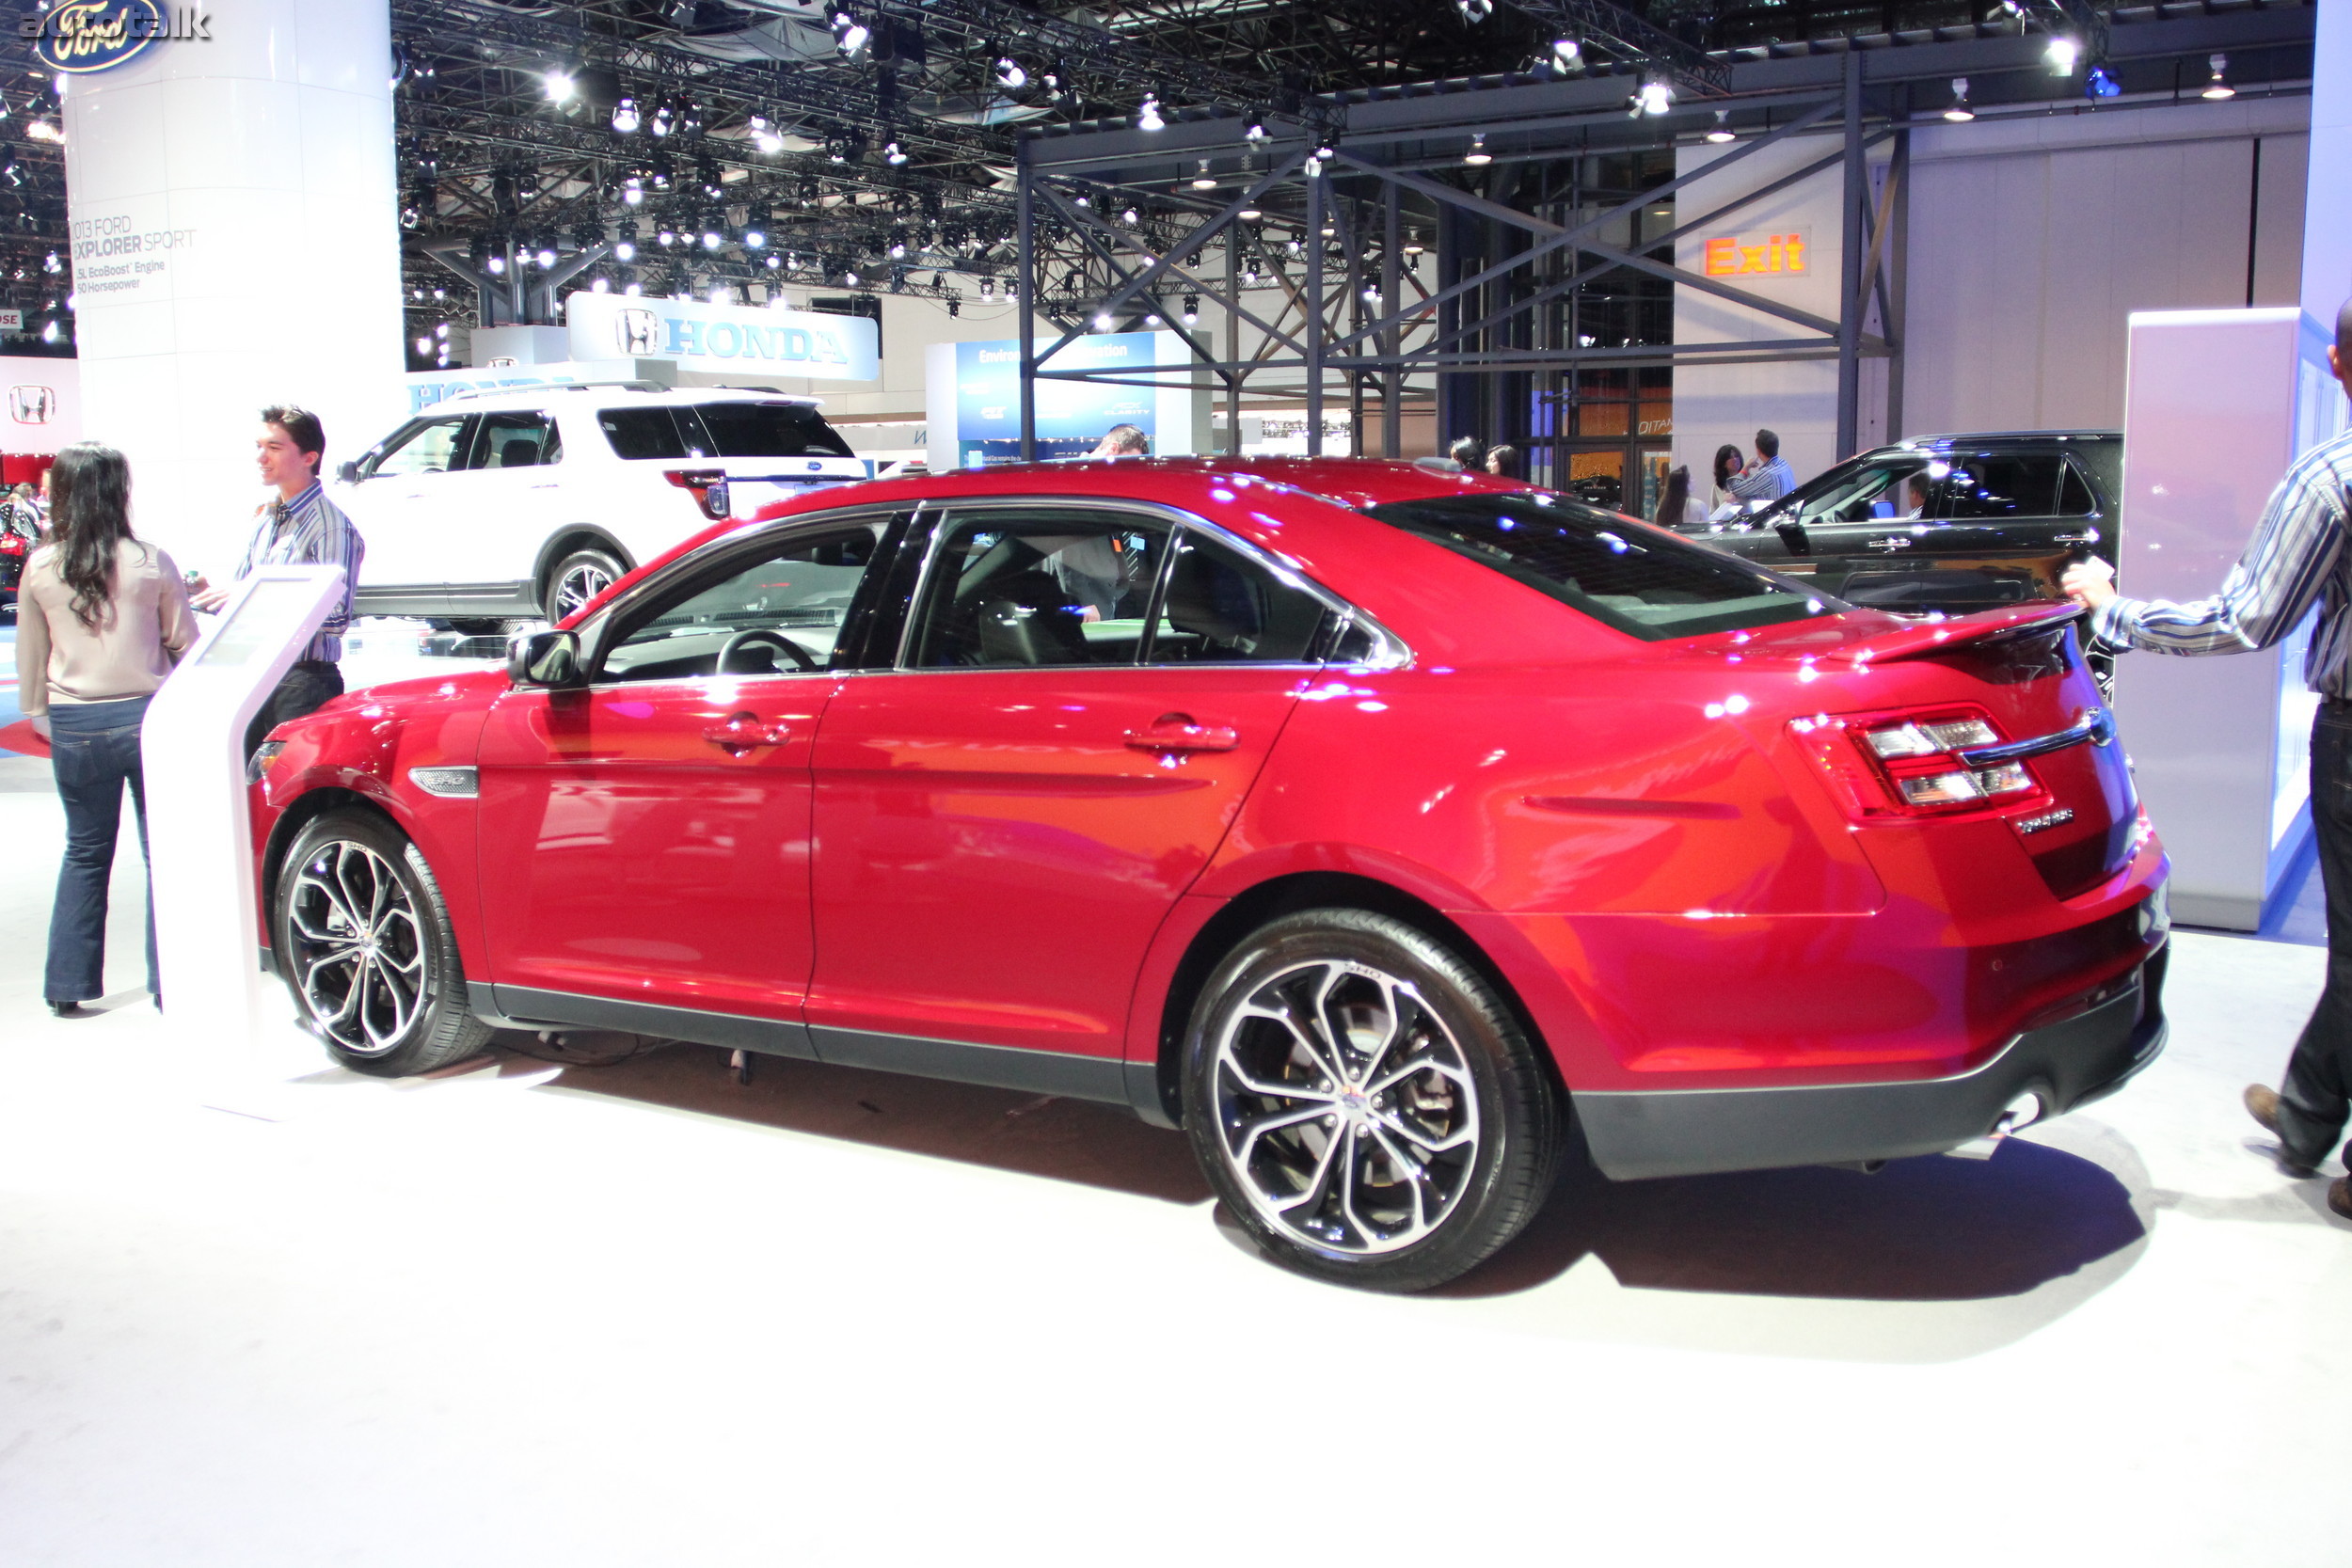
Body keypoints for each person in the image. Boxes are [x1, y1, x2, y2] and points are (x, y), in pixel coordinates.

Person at [2062, 295, 2352, 1224]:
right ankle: (2306, 1119)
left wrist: (2110, 607)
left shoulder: (2331, 476)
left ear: (2340, 367)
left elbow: (2244, 617)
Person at [16, 442, 198, 1017]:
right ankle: (169, 983)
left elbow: (31, 657)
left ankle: (67, 984)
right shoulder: (150, 560)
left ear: (64, 493)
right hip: (149, 719)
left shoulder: (42, 566)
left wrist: (41, 716)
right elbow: (186, 644)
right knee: (158, 854)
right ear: (119, 491)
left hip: (76, 722)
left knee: (85, 852)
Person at [188, 404, 364, 758]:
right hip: (256, 675)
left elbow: (337, 617)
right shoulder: (266, 519)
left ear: (309, 457)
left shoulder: (331, 527)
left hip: (302, 681)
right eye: (259, 446)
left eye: (274, 447)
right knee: (251, 790)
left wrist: (251, 596)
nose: (261, 457)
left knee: (293, 790)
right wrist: (211, 593)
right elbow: (243, 591)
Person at [1727, 428, 1796, 506]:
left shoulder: (1768, 474)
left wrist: (1746, 467)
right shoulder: (1784, 464)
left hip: (1775, 516)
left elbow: (1736, 490)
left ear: (1758, 450)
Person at [1655, 465, 1707, 530]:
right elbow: (1706, 531)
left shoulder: (1662, 507)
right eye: (1691, 478)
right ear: (1685, 484)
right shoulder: (1699, 506)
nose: (1694, 480)